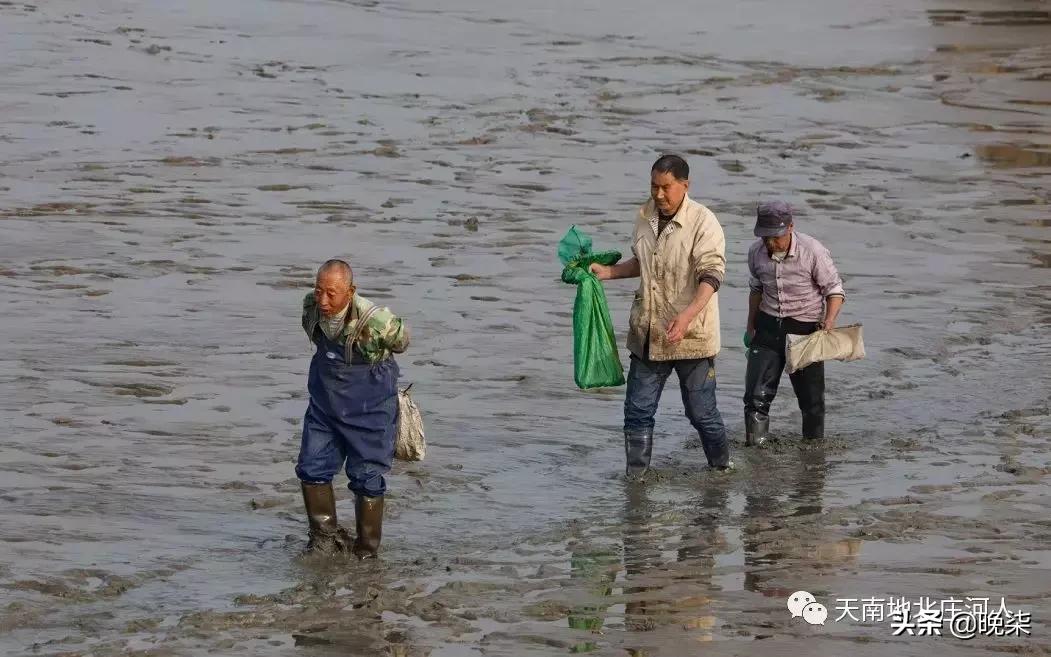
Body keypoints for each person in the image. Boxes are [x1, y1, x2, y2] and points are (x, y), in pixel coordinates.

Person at [590, 154, 732, 479]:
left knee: (701, 412)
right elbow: (642, 263)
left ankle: (722, 468)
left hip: (691, 335)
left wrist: (686, 318)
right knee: (637, 412)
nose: (658, 195)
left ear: (685, 185)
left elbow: (711, 277)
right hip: (649, 332)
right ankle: (636, 480)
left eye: (665, 187)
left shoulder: (703, 222)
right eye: (654, 186)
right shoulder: (644, 216)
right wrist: (607, 273)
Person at [295, 259, 410, 558]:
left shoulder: (375, 321)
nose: (323, 300)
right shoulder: (311, 307)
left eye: (331, 293)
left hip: (369, 409)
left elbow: (402, 341)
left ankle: (366, 549)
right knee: (311, 467)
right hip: (325, 406)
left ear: (351, 291)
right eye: (319, 290)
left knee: (367, 477)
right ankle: (324, 538)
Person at [744, 201, 844, 446]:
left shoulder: (813, 251)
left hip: (805, 331)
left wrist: (828, 321)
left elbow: (834, 291)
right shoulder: (755, 253)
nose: (770, 243)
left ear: (790, 227)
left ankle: (813, 450)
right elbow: (756, 290)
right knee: (756, 397)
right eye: (764, 237)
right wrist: (750, 326)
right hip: (768, 328)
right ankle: (756, 451)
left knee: (811, 402)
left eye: (775, 237)